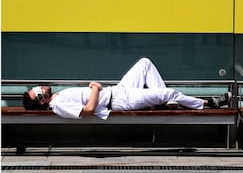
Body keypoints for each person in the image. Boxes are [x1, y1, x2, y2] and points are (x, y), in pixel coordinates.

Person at [22, 58, 231, 120]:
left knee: (145, 63)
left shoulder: (57, 96)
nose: (40, 87)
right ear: (42, 101)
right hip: (121, 100)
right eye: (37, 91)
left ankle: (161, 100)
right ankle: (208, 103)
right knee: (169, 93)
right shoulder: (58, 105)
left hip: (119, 90)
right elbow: (87, 111)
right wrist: (94, 88)